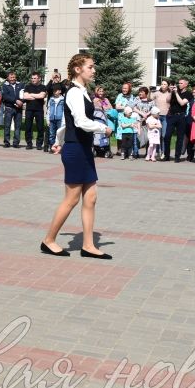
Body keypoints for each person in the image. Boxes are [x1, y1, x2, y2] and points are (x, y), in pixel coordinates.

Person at [41, 54, 113, 259]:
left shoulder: (83, 92)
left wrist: (58, 140)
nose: (94, 70)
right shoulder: (73, 92)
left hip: (83, 148)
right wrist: (103, 129)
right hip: (76, 150)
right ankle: (49, 240)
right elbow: (80, 122)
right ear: (77, 69)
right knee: (71, 199)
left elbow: (67, 122)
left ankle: (88, 245)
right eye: (90, 67)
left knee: (91, 197)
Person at [166, 78, 193, 162]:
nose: (179, 84)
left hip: (181, 117)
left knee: (180, 137)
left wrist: (176, 93)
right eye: (179, 83)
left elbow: (182, 103)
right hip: (171, 116)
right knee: (167, 136)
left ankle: (177, 156)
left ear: (186, 84)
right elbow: (167, 101)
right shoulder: (174, 92)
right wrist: (171, 92)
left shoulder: (188, 94)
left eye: (181, 83)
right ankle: (167, 156)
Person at [22, 72, 47, 150]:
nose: (33, 80)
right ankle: (29, 143)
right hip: (29, 110)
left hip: (39, 110)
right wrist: (37, 95)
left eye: (35, 78)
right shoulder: (27, 86)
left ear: (39, 78)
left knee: (40, 127)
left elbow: (42, 95)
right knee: (28, 127)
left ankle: (39, 144)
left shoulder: (43, 87)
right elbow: (25, 96)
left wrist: (31, 95)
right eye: (32, 78)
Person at [0, 72, 23, 147]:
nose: (13, 79)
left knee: (18, 126)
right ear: (8, 78)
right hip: (9, 108)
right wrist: (15, 101)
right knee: (7, 126)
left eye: (14, 77)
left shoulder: (21, 84)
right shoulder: (5, 86)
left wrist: (21, 102)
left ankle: (16, 143)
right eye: (11, 77)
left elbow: (24, 94)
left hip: (18, 108)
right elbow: (5, 96)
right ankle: (6, 142)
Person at [46, 84, 65, 151]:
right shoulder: (51, 99)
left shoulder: (63, 100)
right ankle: (52, 146)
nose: (54, 92)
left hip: (60, 119)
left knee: (59, 133)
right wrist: (48, 119)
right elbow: (48, 110)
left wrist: (63, 120)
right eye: (53, 91)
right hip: (52, 119)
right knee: (52, 134)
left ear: (60, 91)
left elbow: (64, 111)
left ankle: (59, 147)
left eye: (55, 91)